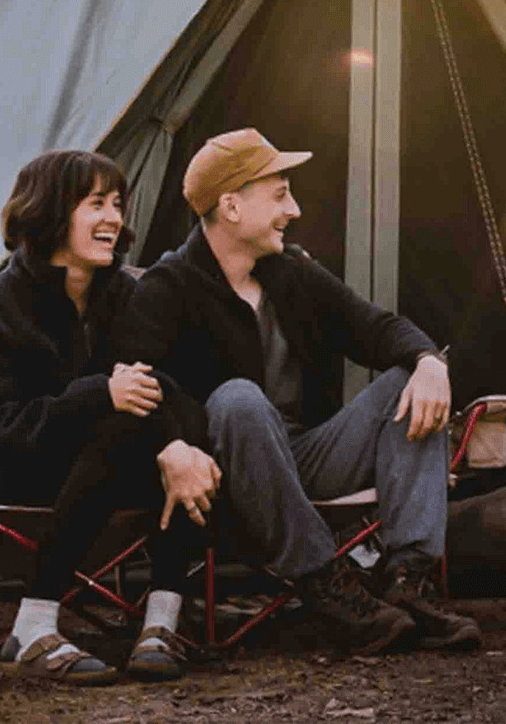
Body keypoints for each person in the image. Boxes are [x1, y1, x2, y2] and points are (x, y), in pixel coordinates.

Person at [119, 128, 481, 654]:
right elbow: (136, 388)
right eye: (280, 194)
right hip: (223, 476)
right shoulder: (167, 287)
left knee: (409, 382)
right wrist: (172, 447)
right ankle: (326, 585)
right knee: (237, 398)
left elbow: (375, 327)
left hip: (303, 456)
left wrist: (429, 361)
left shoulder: (292, 272)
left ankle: (407, 583)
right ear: (232, 206)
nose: (296, 209)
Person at [0, 150, 217, 684]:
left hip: (104, 476)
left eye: (117, 204)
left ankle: (158, 629)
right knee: (124, 423)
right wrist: (98, 397)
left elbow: (172, 389)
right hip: (10, 476)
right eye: (96, 204)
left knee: (178, 441)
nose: (114, 218)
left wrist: (177, 446)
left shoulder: (127, 294)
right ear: (48, 212)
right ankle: (37, 625)